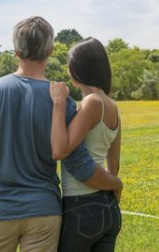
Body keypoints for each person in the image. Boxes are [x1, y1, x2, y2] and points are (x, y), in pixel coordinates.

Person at [0, 16, 123, 252]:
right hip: (45, 212)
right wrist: (114, 183)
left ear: (16, 51)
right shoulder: (63, 102)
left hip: (0, 211)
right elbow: (78, 164)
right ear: (50, 51)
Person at [50, 37, 122, 252]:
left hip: (80, 206)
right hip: (108, 207)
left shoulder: (92, 102)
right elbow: (115, 164)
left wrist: (59, 104)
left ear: (76, 69)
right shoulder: (113, 106)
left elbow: (62, 149)